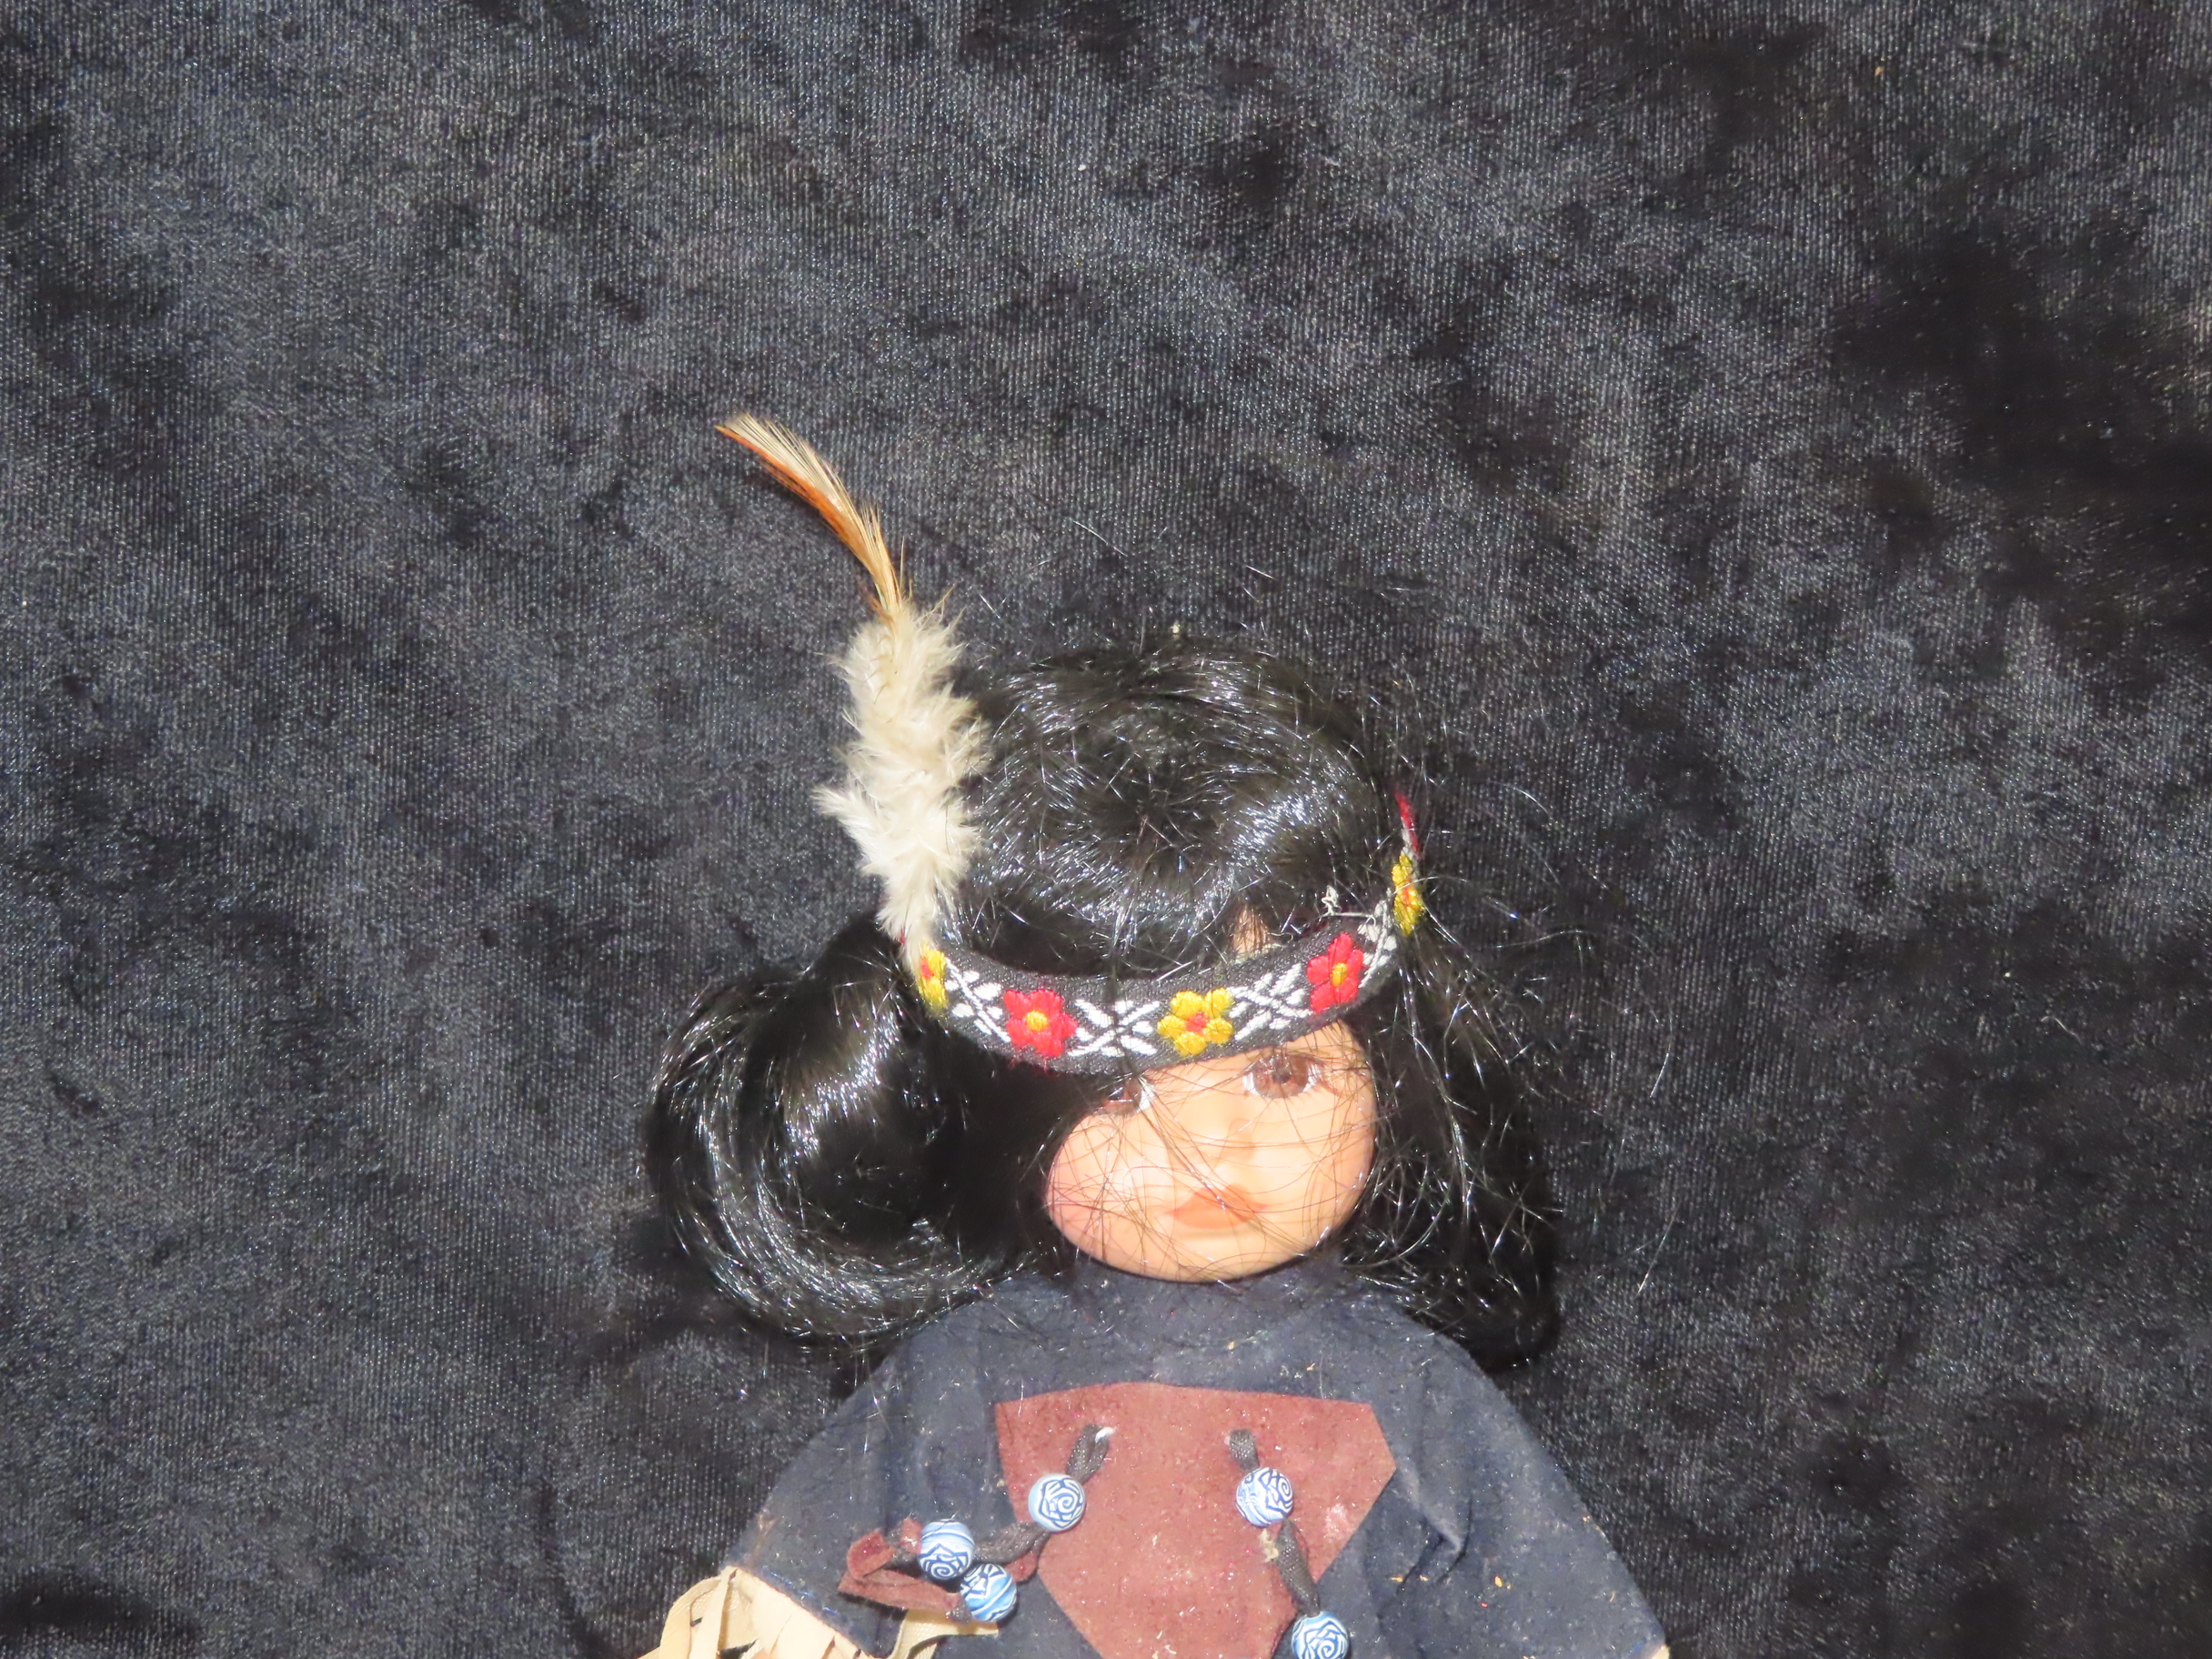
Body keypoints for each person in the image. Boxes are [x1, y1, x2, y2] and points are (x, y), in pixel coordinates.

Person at [639, 419, 1667, 1659]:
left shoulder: (1419, 1398)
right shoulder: (957, 1379)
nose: (1209, 1154)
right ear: (1005, 1111)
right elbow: (798, 1611)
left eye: (1281, 1075)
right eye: (1121, 1097)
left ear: (1393, 1082)